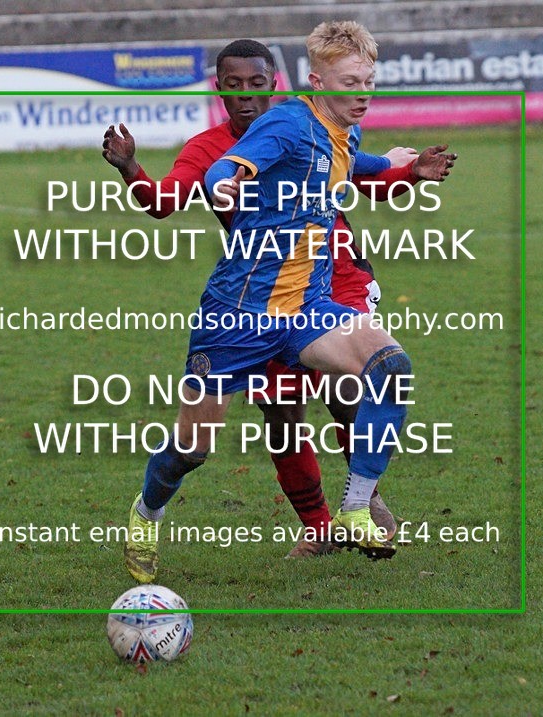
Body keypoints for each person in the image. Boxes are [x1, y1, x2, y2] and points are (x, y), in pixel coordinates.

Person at [119, 22, 453, 582]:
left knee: (389, 366)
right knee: (192, 449)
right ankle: (145, 513)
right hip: (237, 315)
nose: (364, 93)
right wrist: (226, 180)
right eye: (352, 82)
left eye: (369, 81)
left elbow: (350, 162)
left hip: (307, 307)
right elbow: (236, 161)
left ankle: (353, 509)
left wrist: (406, 168)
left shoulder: (337, 125)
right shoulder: (286, 122)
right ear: (317, 80)